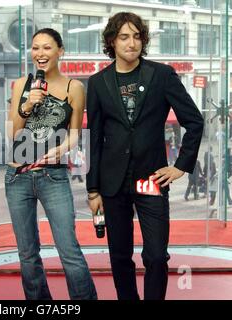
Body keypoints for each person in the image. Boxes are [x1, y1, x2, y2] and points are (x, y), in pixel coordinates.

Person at [86, 12, 204, 300]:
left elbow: (194, 121)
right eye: (124, 37)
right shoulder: (98, 82)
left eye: (137, 36)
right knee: (120, 257)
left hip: (151, 179)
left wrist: (180, 167)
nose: (132, 43)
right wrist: (93, 189)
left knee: (154, 256)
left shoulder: (161, 75)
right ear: (112, 41)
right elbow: (95, 139)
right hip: (113, 182)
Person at [5, 28, 97, 300]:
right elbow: (13, 133)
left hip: (52, 176)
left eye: (47, 48)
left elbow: (75, 134)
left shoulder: (74, 87)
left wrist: (60, 150)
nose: (40, 54)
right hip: (16, 176)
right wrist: (27, 105)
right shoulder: (22, 84)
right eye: (35, 48)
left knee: (69, 250)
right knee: (28, 254)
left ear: (60, 51)